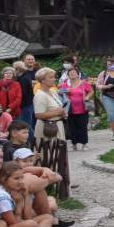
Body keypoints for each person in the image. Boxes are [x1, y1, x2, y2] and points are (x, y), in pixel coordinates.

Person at [30, 68, 71, 196]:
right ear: (42, 80)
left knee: (59, 154)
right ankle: (46, 187)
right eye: (51, 77)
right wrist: (57, 112)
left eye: (54, 77)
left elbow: (59, 107)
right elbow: (39, 114)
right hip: (47, 128)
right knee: (48, 155)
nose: (54, 79)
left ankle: (60, 184)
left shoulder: (53, 92)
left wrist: (62, 113)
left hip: (57, 125)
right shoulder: (40, 95)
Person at [60, 66, 92, 151]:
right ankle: (74, 144)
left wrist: (87, 97)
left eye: (74, 73)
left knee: (83, 127)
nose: (72, 74)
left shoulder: (84, 83)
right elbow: (60, 93)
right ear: (68, 75)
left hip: (83, 109)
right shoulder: (65, 84)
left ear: (78, 74)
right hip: (70, 109)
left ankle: (84, 144)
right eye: (70, 73)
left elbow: (91, 91)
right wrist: (65, 91)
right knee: (72, 128)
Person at [16, 54, 38, 131]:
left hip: (37, 100)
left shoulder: (38, 72)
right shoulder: (21, 73)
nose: (30, 61)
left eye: (32, 59)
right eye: (28, 59)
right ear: (24, 61)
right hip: (26, 102)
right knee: (28, 123)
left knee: (37, 122)